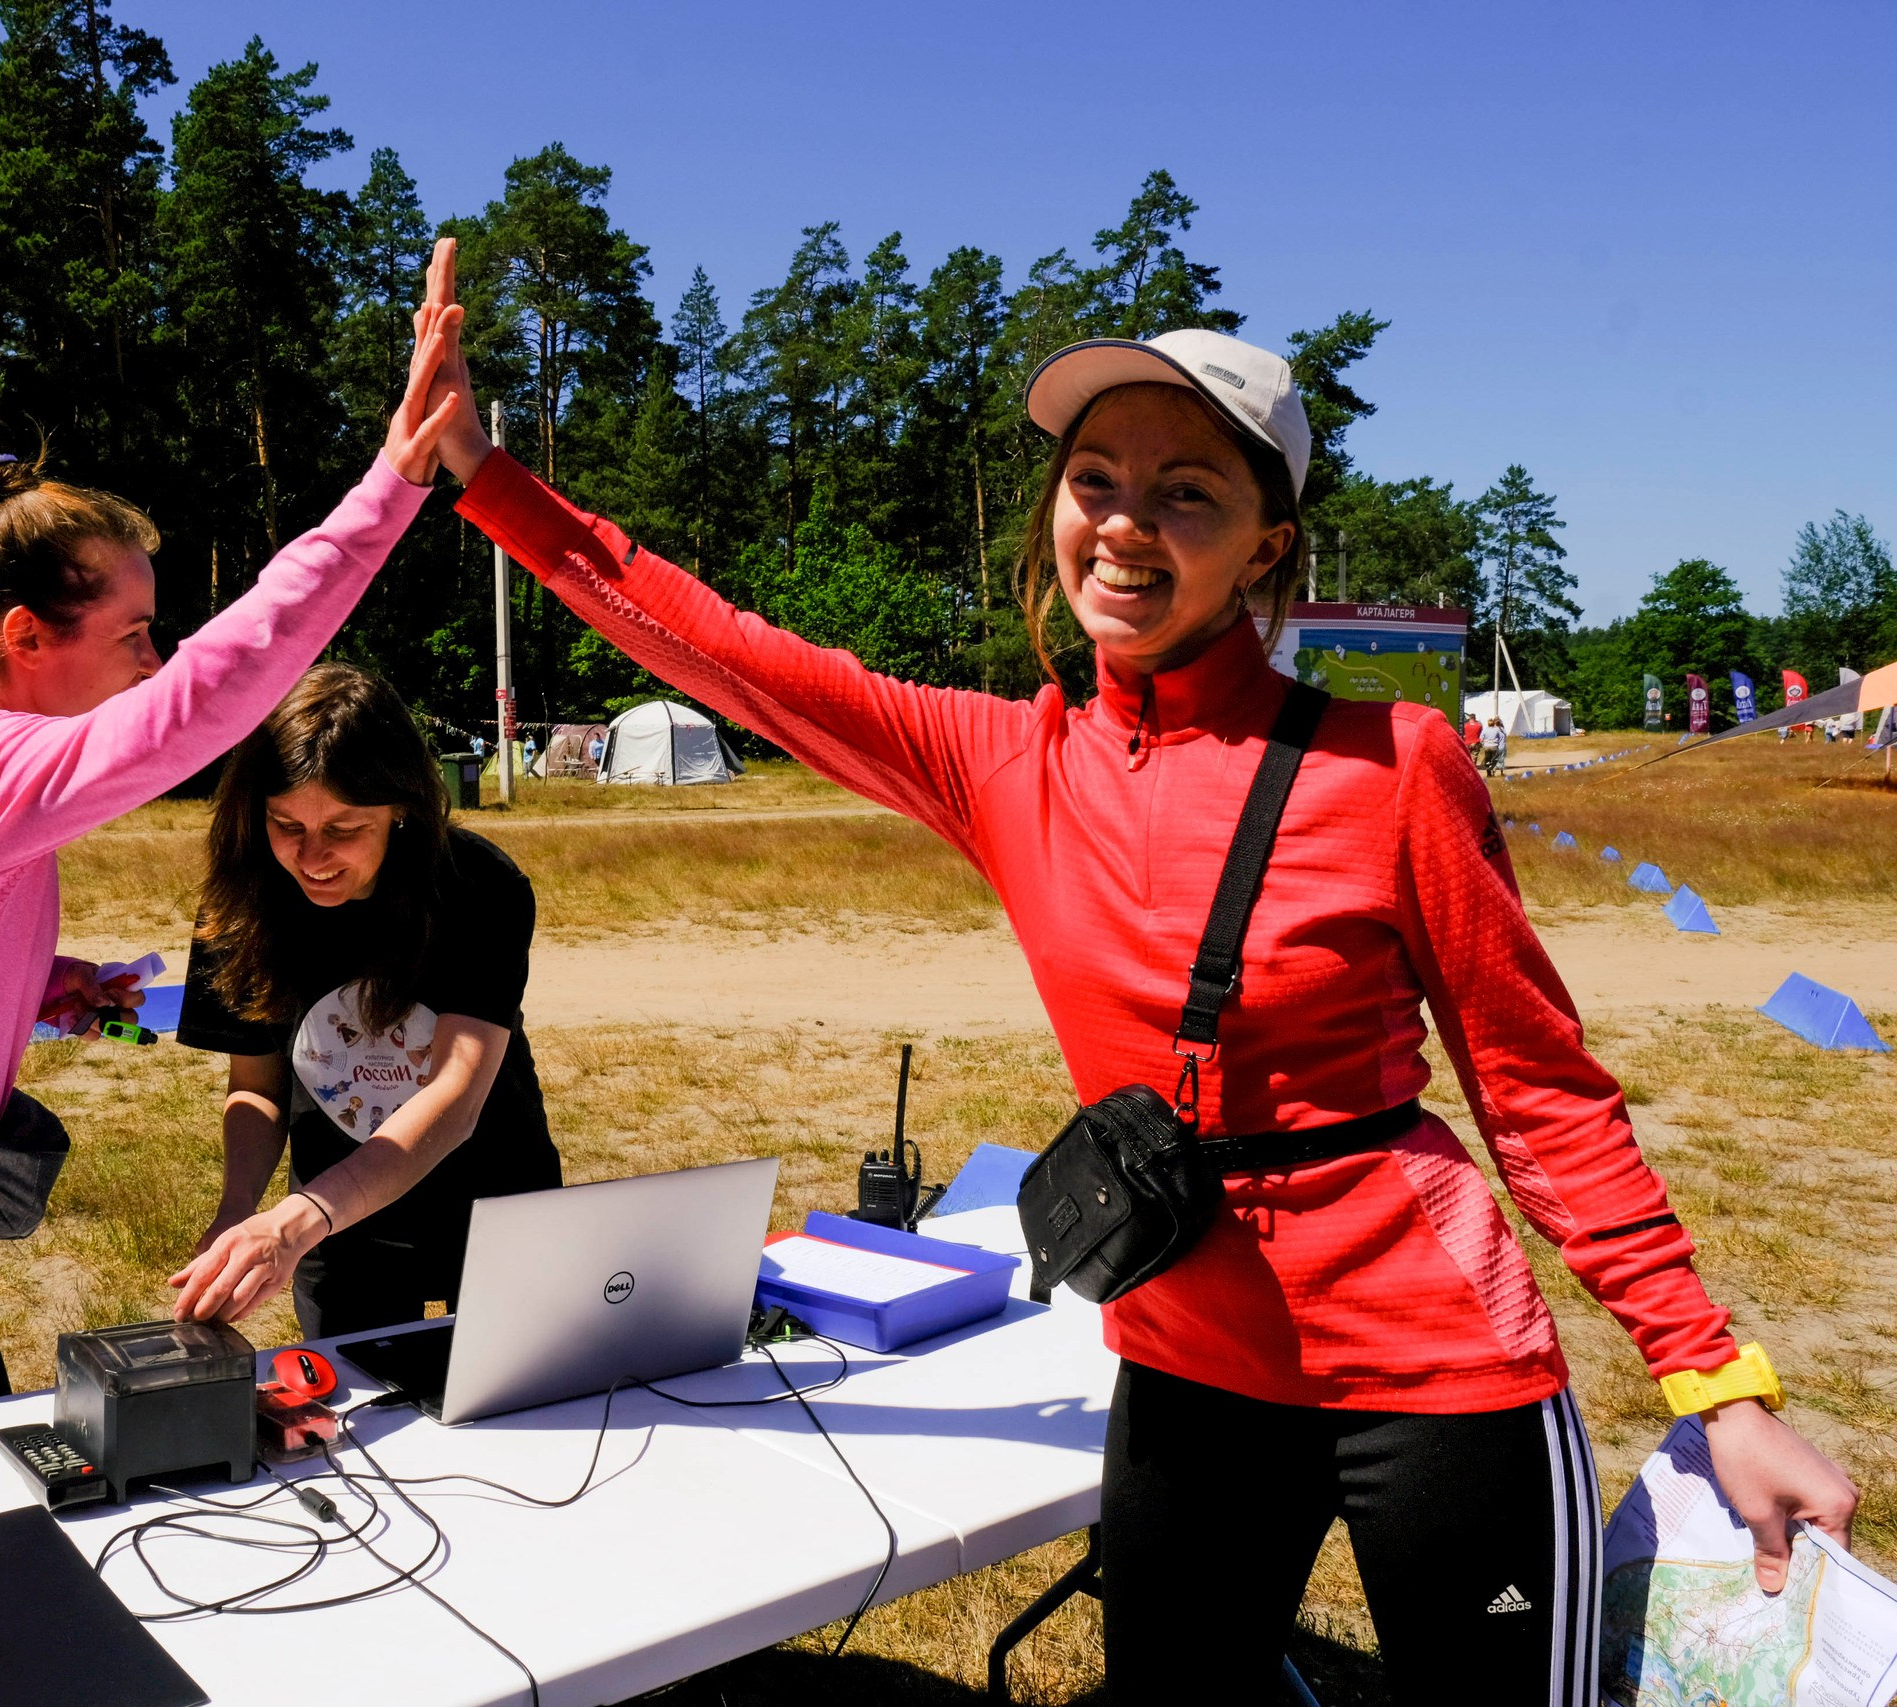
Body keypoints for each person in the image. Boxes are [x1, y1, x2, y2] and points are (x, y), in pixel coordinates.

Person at [420, 293, 1856, 1703]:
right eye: (1094, 480)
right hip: (1185, 1353)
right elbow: (731, 655)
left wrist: (1714, 1381)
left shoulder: (1395, 763)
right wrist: (489, 480)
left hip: (1435, 1364)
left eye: (1185, 494)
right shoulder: (1006, 760)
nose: (1122, 522)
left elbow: (1538, 1093)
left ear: (1265, 547)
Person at [0, 242, 468, 1431]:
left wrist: (35, 984)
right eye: (133, 634)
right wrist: (393, 483)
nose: (154, 660)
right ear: (26, 635)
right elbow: (217, 690)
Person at [169, 663, 560, 1337]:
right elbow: (257, 1088)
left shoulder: (476, 887)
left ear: (401, 807)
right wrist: (238, 1209)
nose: (311, 856)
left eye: (343, 829)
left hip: (497, 1214)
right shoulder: (240, 907)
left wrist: (298, 1218)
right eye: (285, 823)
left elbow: (456, 1097)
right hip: (346, 1243)